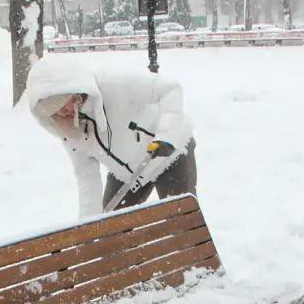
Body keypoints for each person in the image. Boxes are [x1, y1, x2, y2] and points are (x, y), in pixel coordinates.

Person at [25, 53, 197, 217]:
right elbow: (87, 177)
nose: (61, 114)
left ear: (75, 91)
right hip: (126, 174)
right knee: (111, 229)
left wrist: (167, 135)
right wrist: (87, 230)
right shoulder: (70, 129)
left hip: (168, 155)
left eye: (62, 105)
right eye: (53, 111)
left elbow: (170, 89)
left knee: (182, 221)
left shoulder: (113, 84)